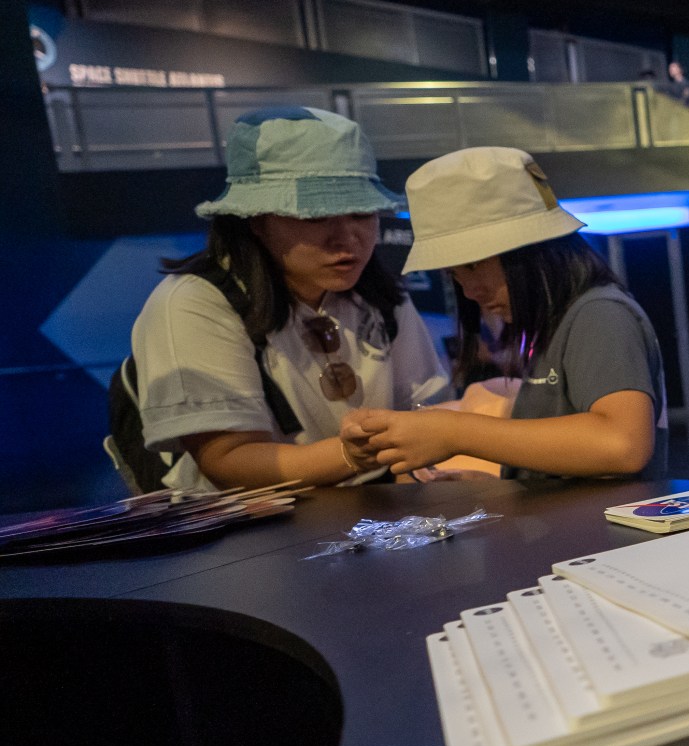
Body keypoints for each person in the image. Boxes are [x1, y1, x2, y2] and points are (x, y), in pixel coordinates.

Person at [126, 107, 450, 492]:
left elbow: (426, 408)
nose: (347, 238)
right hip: (249, 538)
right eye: (316, 216)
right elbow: (228, 461)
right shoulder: (193, 303)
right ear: (256, 221)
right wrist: (354, 454)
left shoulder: (382, 295)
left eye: (363, 213)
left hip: (374, 518)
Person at [341, 147, 667, 479]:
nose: (469, 291)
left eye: (473, 265)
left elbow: (624, 444)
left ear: (529, 250)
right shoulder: (558, 321)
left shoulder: (598, 314)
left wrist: (454, 432)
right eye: (455, 274)